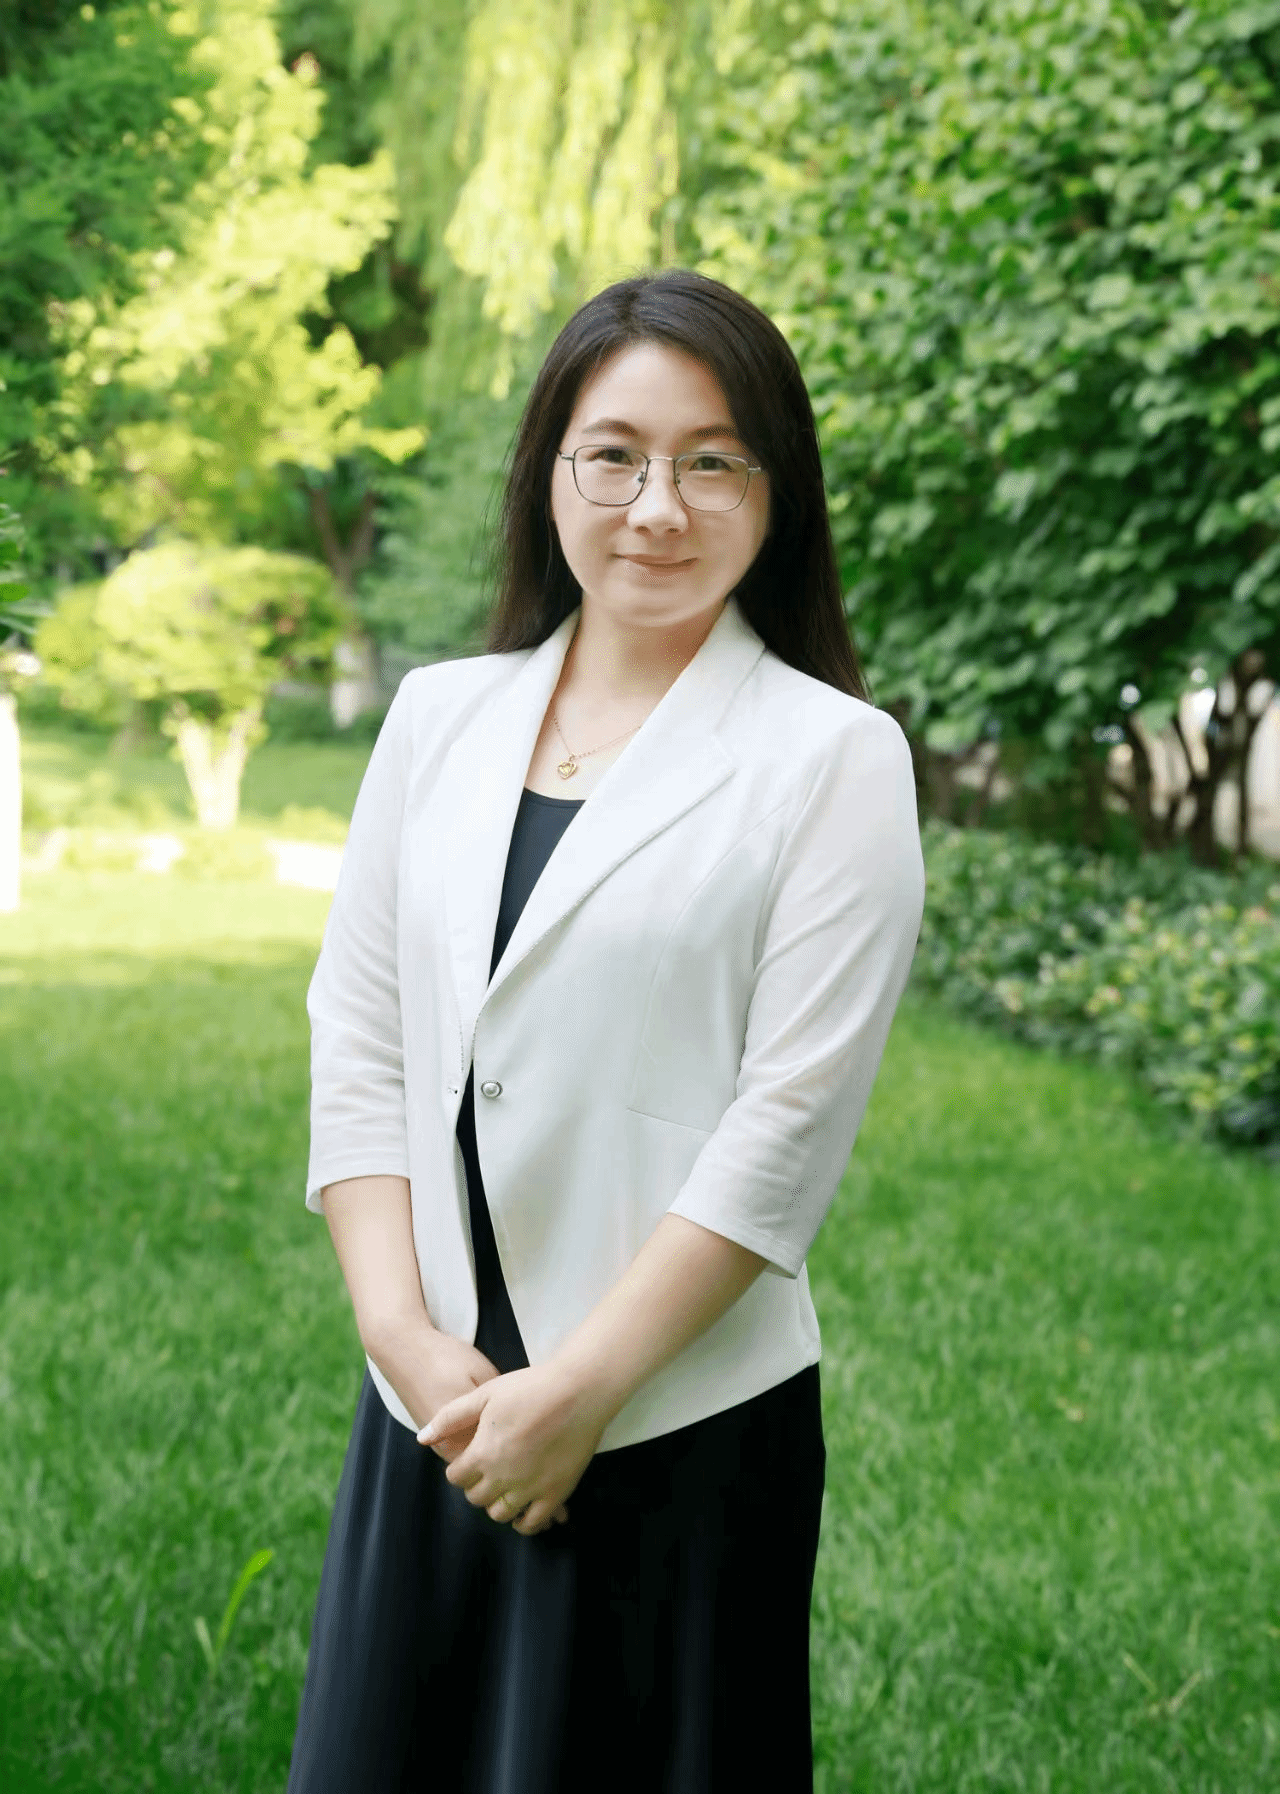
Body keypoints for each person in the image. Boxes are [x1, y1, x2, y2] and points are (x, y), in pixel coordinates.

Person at [285, 267, 926, 1794]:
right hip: (434, 1403)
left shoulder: (834, 758)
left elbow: (784, 1131)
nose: (659, 506)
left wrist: (576, 1396)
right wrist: (400, 1336)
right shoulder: (437, 717)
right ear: (549, 473)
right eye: (615, 456)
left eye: (713, 460)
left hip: (672, 1416)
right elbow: (359, 1033)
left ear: (778, 489)